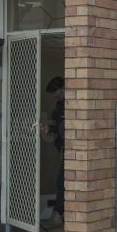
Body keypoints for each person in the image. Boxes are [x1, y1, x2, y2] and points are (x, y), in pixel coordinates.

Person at [41, 76, 65, 219]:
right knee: (62, 180)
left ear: (62, 89)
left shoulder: (70, 104)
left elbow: (66, 126)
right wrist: (49, 128)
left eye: (54, 92)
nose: (53, 95)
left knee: (61, 181)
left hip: (70, 149)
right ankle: (61, 213)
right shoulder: (59, 105)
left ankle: (60, 212)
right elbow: (59, 126)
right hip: (63, 148)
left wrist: (52, 127)